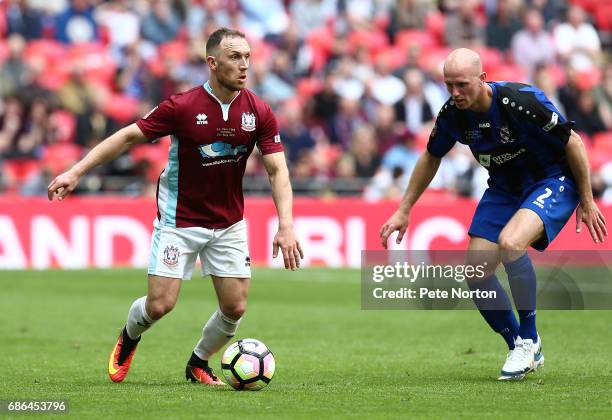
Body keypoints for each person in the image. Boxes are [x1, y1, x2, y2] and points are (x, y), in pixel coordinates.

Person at [47, 28, 304, 385]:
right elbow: (128, 136)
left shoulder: (258, 111)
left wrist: (286, 225)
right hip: (179, 220)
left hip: (229, 223)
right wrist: (76, 171)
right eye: (235, 57)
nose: (244, 65)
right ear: (212, 63)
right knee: (159, 306)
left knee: (235, 308)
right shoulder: (182, 106)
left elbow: (277, 169)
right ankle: (129, 336)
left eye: (247, 56)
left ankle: (198, 362)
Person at [380, 48, 606, 380]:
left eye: (462, 84)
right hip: (503, 188)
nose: (455, 93)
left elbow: (573, 142)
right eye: (448, 85)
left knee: (511, 244)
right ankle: (519, 343)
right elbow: (431, 156)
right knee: (476, 272)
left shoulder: (521, 101)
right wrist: (404, 209)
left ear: (483, 79)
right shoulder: (452, 115)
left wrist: (587, 199)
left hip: (551, 179)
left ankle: (529, 339)